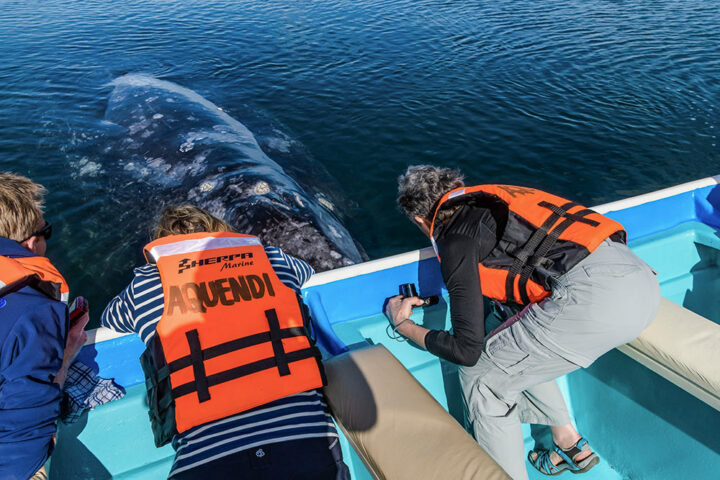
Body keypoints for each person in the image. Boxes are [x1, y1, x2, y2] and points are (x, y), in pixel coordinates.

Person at [386, 165, 660, 479]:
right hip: (641, 282)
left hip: (594, 302)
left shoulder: (455, 240)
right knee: (506, 333)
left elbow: (466, 351)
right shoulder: (495, 200)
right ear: (459, 186)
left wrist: (402, 324)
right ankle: (568, 442)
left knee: (482, 377)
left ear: (421, 220)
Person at [101, 205, 349, 480]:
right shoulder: (272, 259)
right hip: (308, 448)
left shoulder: (144, 285)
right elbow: (304, 271)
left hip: (205, 463)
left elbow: (111, 319)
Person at [0, 173, 89, 480]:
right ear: (30, 242)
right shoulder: (35, 310)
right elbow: (23, 444)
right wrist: (64, 356)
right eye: (45, 230)